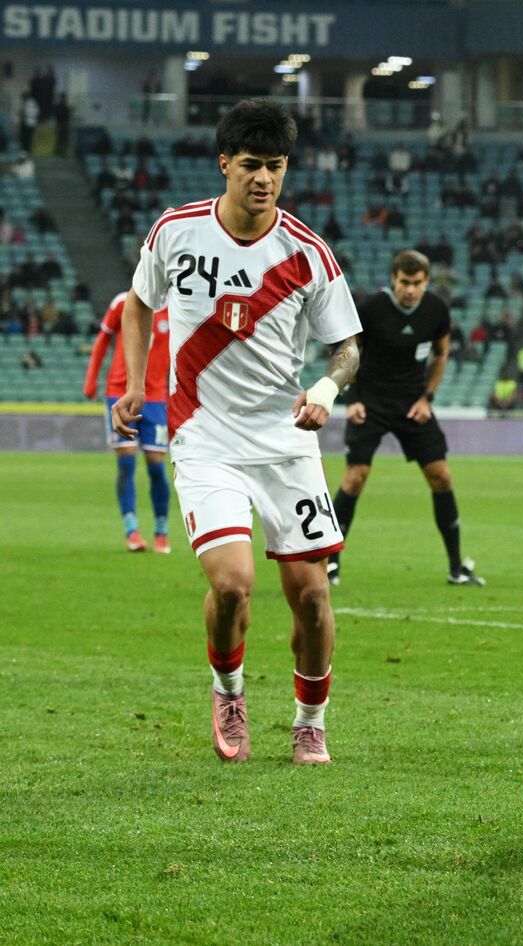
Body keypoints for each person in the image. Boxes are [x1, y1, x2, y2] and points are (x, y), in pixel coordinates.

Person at [112, 99, 361, 767]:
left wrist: (326, 389)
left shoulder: (307, 252)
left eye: (276, 166)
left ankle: (310, 722)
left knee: (313, 596)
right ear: (224, 164)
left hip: (285, 442)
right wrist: (134, 384)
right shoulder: (176, 231)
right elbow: (139, 304)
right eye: (251, 165)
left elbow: (347, 348)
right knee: (232, 585)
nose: (264, 178)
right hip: (205, 438)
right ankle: (228, 692)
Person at [329, 249, 484, 587]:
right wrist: (351, 399)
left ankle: (457, 567)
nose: (410, 290)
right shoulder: (371, 308)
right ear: (393, 279)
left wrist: (427, 398)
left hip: (412, 404)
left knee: (441, 476)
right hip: (370, 402)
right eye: (404, 282)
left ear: (426, 282)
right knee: (355, 477)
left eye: (417, 283)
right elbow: (348, 350)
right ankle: (331, 564)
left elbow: (441, 354)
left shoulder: (436, 310)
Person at [82, 291, 172, 552]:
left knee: (156, 466)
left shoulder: (177, 306)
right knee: (126, 462)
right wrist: (91, 379)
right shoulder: (122, 302)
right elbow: (103, 339)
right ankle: (131, 530)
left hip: (155, 397)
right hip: (119, 392)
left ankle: (161, 531)